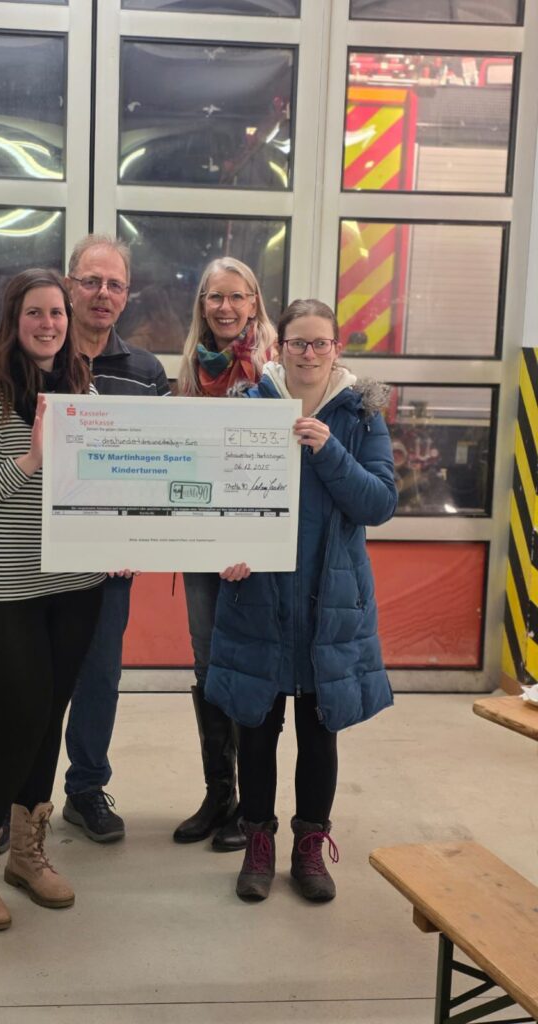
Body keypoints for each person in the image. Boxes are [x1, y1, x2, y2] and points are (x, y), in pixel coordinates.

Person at [205, 298, 397, 902]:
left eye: (320, 343)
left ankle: (310, 846)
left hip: (329, 603)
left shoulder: (362, 415)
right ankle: (257, 843)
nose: (309, 354)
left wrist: (328, 449)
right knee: (256, 729)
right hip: (257, 599)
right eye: (297, 343)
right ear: (278, 347)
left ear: (337, 349)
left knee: (320, 731)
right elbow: (216, 498)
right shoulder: (248, 407)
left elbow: (379, 503)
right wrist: (226, 548)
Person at [0, 268, 106, 932]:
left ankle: (27, 856)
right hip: (1, 590)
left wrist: (122, 529)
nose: (48, 323)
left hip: (76, 587)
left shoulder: (82, 390)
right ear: (14, 320)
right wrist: (29, 463)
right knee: (16, 726)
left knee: (48, 722)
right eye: (35, 312)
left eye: (57, 313)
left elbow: (100, 481)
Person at [59, 234, 170, 844]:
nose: (103, 294)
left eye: (115, 284)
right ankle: (19, 796)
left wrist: (138, 541)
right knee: (35, 680)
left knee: (100, 678)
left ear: (127, 295)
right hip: (39, 556)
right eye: (91, 281)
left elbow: (163, 464)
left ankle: (85, 790)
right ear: (69, 284)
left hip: (112, 564)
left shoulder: (146, 373)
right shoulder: (38, 356)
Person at [173, 257, 277, 853]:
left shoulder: (276, 365)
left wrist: (253, 540)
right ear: (203, 305)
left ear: (254, 302)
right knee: (208, 663)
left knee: (251, 664)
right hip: (200, 539)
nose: (226, 308)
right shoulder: (189, 367)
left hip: (256, 546)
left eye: (237, 297)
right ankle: (220, 796)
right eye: (215, 297)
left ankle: (254, 809)